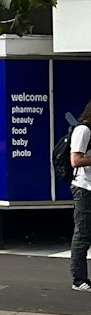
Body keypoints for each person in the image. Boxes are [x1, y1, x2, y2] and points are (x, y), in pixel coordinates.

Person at [67, 100, 91, 292]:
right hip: (84, 189)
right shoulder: (83, 131)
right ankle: (79, 279)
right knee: (82, 234)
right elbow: (75, 160)